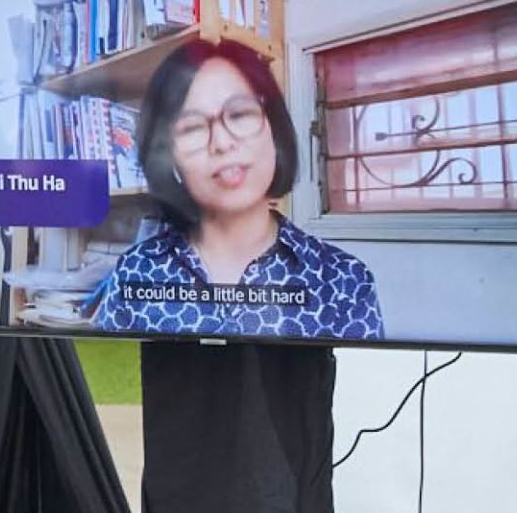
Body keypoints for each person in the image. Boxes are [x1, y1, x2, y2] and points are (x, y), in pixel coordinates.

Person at [86, 38, 385, 340]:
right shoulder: (135, 273)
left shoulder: (345, 283)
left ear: (275, 130)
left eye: (240, 115)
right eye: (192, 128)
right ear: (168, 158)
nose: (222, 143)